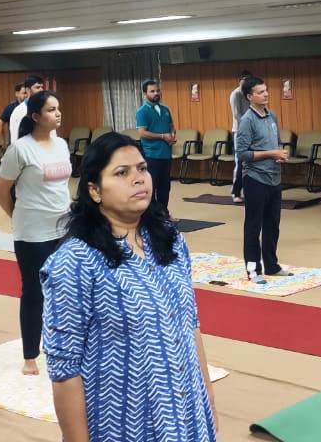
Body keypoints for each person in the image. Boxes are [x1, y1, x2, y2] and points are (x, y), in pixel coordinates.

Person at [42, 133, 217, 442]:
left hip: (185, 413)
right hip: (122, 424)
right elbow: (65, 370)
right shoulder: (76, 261)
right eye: (122, 173)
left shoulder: (170, 241)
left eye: (142, 169)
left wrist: (208, 402)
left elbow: (191, 326)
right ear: (95, 190)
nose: (138, 179)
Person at [0, 91, 71, 376]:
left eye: (58, 108)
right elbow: (1, 190)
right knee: (34, 292)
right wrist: (16, 216)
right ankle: (30, 356)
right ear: (36, 116)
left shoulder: (61, 144)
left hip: (63, 228)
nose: (58, 113)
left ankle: (61, 344)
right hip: (32, 233)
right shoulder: (20, 149)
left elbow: (62, 186)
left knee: (65, 290)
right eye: (51, 110)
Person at [234, 75, 292, 284]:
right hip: (255, 178)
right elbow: (242, 154)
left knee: (272, 224)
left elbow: (276, 143)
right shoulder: (247, 121)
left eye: (266, 90)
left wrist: (279, 155)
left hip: (274, 177)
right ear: (250, 97)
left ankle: (271, 265)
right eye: (260, 92)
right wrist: (270, 154)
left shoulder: (272, 116)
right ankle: (253, 270)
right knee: (253, 226)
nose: (265, 94)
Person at [135, 79, 176, 213]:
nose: (156, 93)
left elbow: (171, 126)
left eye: (157, 90)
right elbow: (142, 132)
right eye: (152, 91)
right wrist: (163, 136)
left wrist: (172, 135)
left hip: (166, 154)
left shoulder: (165, 109)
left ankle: (164, 214)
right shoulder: (142, 111)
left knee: (165, 187)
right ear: (145, 94)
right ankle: (152, 216)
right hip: (152, 155)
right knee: (152, 187)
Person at [229, 70, 252, 203]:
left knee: (251, 161)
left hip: (251, 130)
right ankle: (236, 191)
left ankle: (249, 190)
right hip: (239, 131)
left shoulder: (249, 93)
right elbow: (237, 115)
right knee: (240, 161)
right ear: (240, 81)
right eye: (244, 80)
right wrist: (246, 129)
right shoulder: (236, 94)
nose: (246, 82)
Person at [8, 75, 48, 144]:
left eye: (42, 87)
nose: (41, 90)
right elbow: (15, 137)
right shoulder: (19, 111)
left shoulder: (46, 107)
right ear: (28, 90)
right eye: (37, 87)